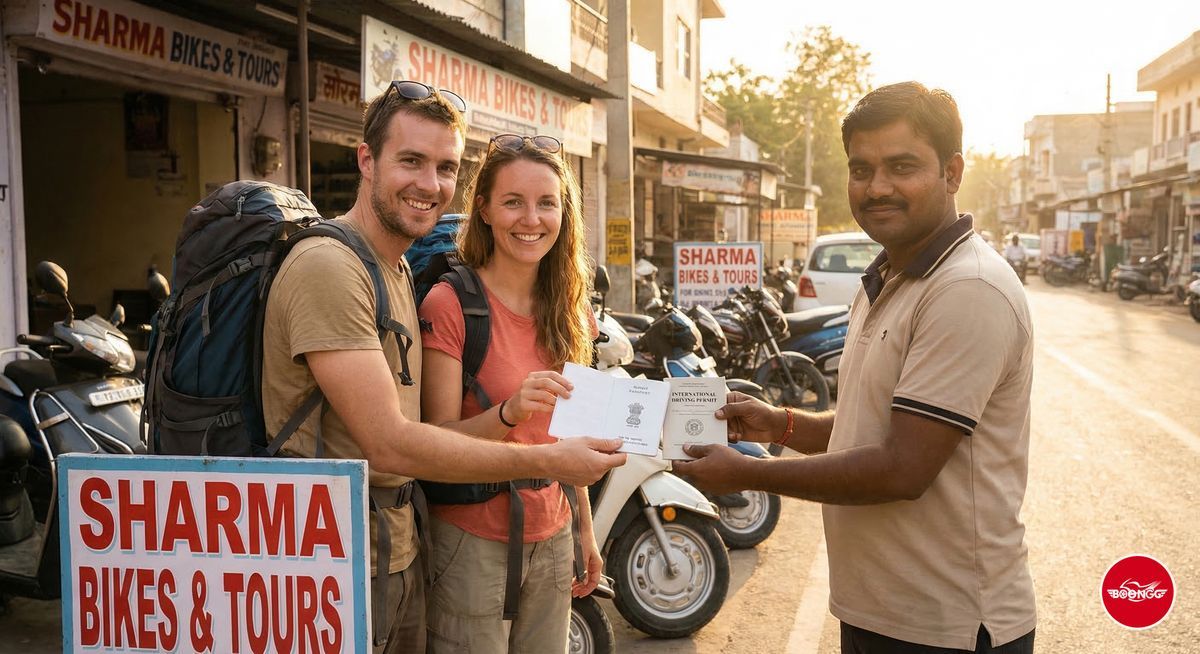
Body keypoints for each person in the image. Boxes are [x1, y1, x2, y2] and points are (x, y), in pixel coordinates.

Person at [261, 81, 626, 654]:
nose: (430, 184)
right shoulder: (331, 267)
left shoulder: (395, 268)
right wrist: (540, 447)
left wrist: (578, 516)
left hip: (397, 546)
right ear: (366, 159)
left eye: (445, 167)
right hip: (336, 558)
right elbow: (392, 444)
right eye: (411, 161)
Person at [675, 82, 1036, 654]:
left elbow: (901, 468)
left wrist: (748, 472)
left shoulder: (966, 287)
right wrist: (779, 425)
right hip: (883, 612)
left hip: (949, 626)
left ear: (952, 172)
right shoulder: (891, 275)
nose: (877, 188)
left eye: (902, 166)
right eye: (861, 169)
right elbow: (873, 429)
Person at [418, 133, 601, 651]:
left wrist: (585, 532)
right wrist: (508, 411)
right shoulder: (450, 304)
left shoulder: (571, 309)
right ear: (485, 210)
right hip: (469, 541)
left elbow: (571, 437)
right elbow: (436, 441)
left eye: (546, 203)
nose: (531, 219)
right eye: (513, 202)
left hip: (554, 529)